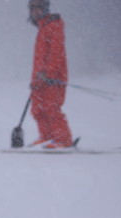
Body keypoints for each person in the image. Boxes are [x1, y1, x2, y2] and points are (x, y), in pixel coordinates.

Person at [28, 0, 75, 148]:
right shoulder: (42, 28)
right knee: (37, 108)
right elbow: (40, 57)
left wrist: (50, 74)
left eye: (38, 8)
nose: (35, 11)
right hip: (39, 77)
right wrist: (36, 77)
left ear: (45, 8)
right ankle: (47, 136)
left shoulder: (54, 26)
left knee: (51, 107)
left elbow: (56, 53)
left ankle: (63, 140)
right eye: (32, 8)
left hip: (53, 77)